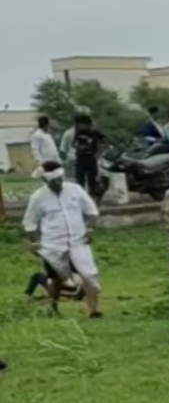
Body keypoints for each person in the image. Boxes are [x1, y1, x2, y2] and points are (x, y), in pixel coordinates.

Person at [21, 162, 103, 319]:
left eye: (60, 179)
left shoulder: (75, 190)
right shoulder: (38, 197)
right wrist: (36, 242)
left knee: (88, 275)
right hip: (52, 245)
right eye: (54, 181)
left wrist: (90, 229)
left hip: (78, 242)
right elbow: (29, 223)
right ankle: (53, 307)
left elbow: (91, 211)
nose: (59, 183)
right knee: (56, 279)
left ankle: (93, 311)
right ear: (45, 181)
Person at [69, 114, 106, 199]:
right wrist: (79, 147)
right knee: (79, 179)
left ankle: (92, 196)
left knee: (92, 179)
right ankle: (81, 196)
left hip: (91, 158)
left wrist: (99, 153)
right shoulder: (77, 132)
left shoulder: (94, 132)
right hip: (80, 158)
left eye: (79, 124)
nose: (77, 126)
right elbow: (73, 144)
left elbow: (105, 141)